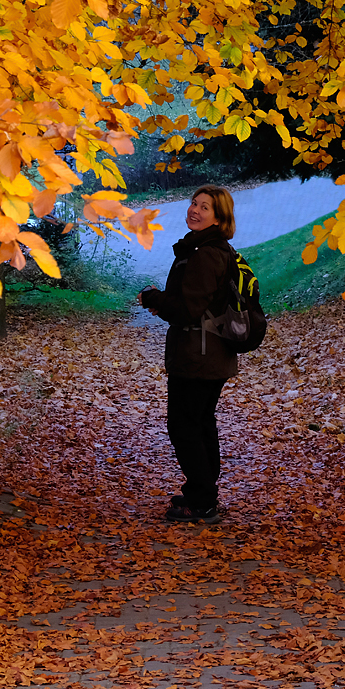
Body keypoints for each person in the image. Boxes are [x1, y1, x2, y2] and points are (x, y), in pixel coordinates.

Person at [138, 185, 238, 523]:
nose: (195, 210)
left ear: (219, 217)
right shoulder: (209, 248)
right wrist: (167, 302)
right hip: (208, 351)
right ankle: (204, 491)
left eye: (205, 207)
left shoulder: (205, 253)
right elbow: (196, 301)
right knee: (199, 422)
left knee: (184, 426)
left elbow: (189, 309)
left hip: (200, 353)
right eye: (194, 203)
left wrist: (154, 299)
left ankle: (202, 500)